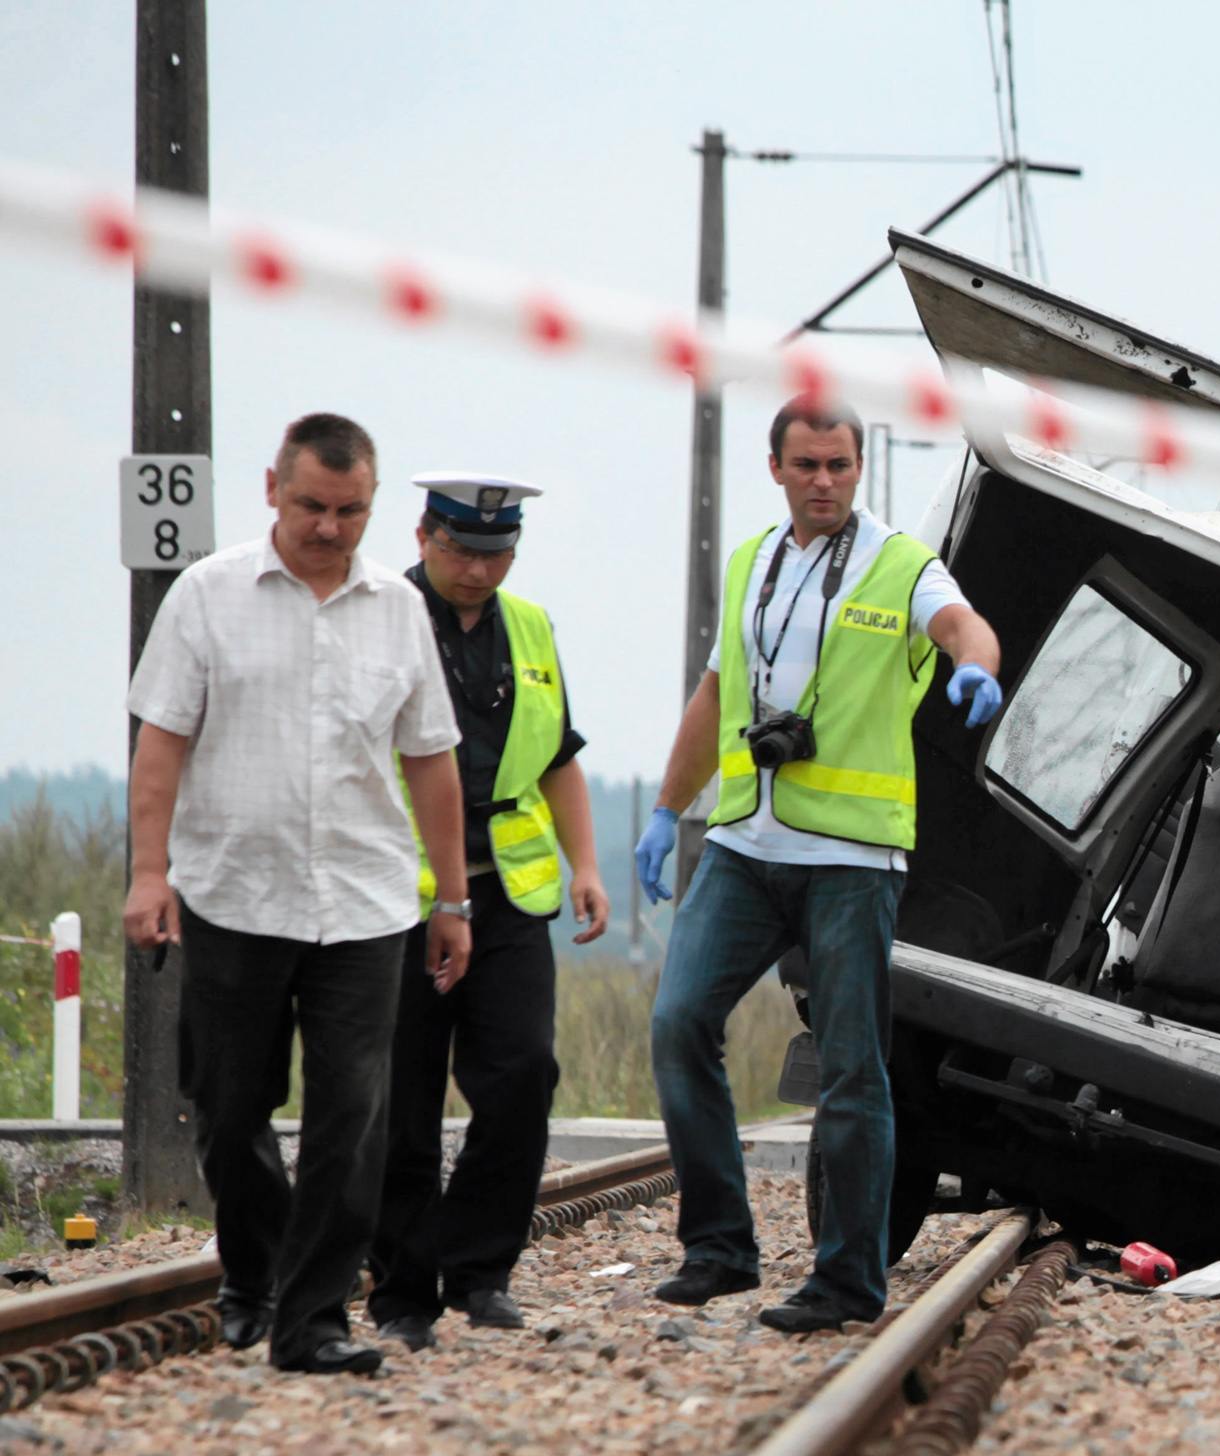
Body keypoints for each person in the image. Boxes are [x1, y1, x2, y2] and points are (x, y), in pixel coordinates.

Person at [634, 400, 1004, 1332]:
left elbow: (963, 625)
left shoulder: (900, 564)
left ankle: (847, 1280)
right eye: (807, 465)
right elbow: (716, 691)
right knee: (679, 1022)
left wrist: (976, 667)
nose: (825, 481)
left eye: (840, 464)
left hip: (851, 856)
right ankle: (720, 1246)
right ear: (777, 469)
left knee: (852, 1068)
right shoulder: (751, 564)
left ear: (858, 467)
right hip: (745, 845)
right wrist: (666, 810)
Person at [123, 412, 472, 1376]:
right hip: (234, 895)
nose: (328, 527)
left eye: (350, 511)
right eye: (313, 505)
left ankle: (314, 1319)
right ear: (272, 488)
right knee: (229, 1108)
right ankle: (255, 1274)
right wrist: (149, 873)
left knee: (350, 1119)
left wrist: (452, 900)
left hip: (364, 904)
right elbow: (161, 743)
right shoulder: (207, 595)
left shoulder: (398, 609)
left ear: (373, 504)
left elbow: (431, 759)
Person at [365, 475, 610, 1350]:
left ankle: (477, 1268)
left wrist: (585, 865)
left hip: (508, 891)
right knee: (402, 1098)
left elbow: (557, 758)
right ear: (424, 535)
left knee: (522, 1076)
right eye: (462, 550)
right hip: (396, 897)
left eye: (497, 554)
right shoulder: (378, 618)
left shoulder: (530, 626)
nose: (478, 569)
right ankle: (402, 1291)